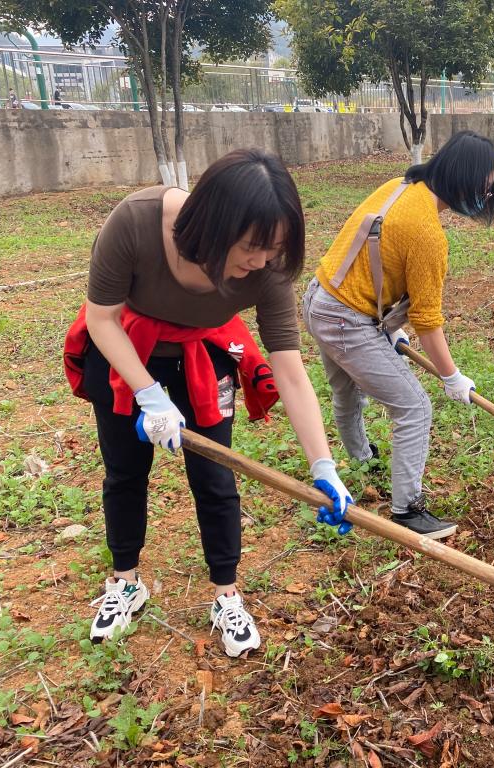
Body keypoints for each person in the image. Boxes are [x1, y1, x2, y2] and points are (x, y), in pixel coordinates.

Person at [63, 149, 353, 657]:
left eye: (274, 250)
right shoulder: (135, 222)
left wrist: (323, 465)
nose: (261, 262)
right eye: (250, 247)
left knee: (215, 477)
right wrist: (149, 394)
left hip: (204, 356)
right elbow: (102, 319)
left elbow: (289, 367)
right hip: (128, 349)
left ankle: (226, 595)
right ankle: (125, 584)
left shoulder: (269, 267)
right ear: (213, 225)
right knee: (125, 471)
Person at [302, 130, 494, 540]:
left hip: (320, 299)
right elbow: (428, 320)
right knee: (415, 408)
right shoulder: (427, 231)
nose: (484, 197)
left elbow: (372, 258)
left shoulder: (400, 186)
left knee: (346, 395)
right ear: (462, 178)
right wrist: (451, 377)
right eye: (484, 187)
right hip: (346, 319)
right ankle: (407, 509)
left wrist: (387, 328)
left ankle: (361, 459)